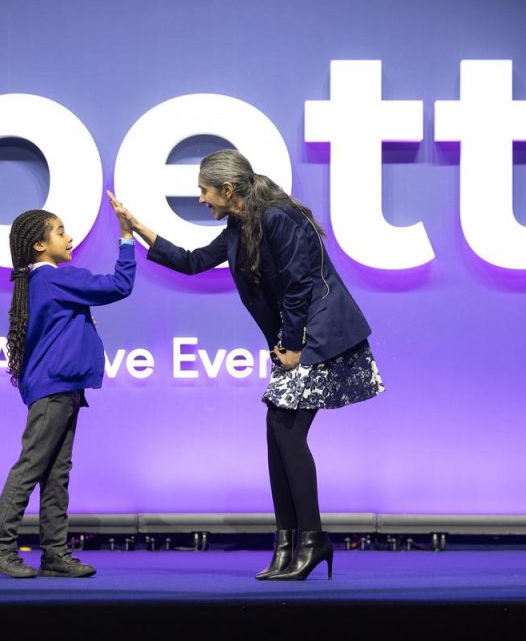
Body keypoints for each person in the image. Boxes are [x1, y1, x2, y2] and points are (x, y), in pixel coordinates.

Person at [107, 149, 384, 581]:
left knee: (286, 432)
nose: (202, 199)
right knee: (279, 432)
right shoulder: (239, 226)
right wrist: (136, 226)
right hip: (295, 339)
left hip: (318, 335)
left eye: (204, 191)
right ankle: (290, 540)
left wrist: (291, 347)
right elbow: (192, 262)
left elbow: (299, 286)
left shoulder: (278, 217)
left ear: (228, 189)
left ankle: (310, 540)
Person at [0, 203, 136, 578]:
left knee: (55, 473)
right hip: (54, 390)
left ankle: (54, 554)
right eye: (60, 231)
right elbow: (119, 285)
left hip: (63, 389)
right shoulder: (53, 278)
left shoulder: (43, 282)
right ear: (38, 245)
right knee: (32, 467)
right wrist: (127, 238)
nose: (69, 237)